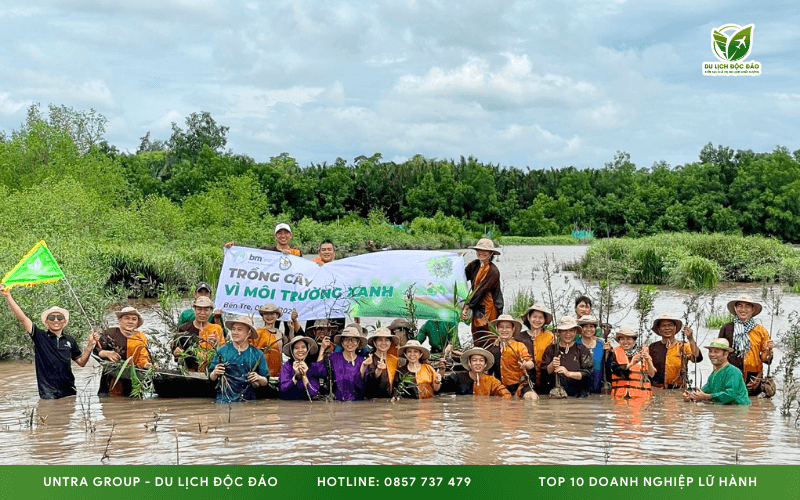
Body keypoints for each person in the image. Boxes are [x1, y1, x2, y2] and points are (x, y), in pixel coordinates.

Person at [0, 285, 97, 399]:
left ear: (64, 321)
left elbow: (81, 362)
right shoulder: (40, 336)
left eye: (59, 317)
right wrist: (8, 296)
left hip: (69, 391)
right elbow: (23, 319)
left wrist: (90, 345)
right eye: (51, 317)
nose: (56, 320)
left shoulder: (70, 340)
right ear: (46, 322)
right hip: (48, 392)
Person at [719, 294, 774, 395]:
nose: (743, 309)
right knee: (731, 404)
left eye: (747, 306)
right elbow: (718, 354)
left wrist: (768, 350)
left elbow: (767, 360)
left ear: (753, 310)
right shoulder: (727, 328)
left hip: (754, 378)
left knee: (752, 407)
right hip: (730, 375)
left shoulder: (761, 331)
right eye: (739, 306)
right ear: (735, 309)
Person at [209, 316, 269, 403]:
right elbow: (211, 378)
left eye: (239, 330)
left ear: (248, 333)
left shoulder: (258, 354)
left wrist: (258, 378)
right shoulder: (222, 351)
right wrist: (215, 372)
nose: (235, 332)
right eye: (233, 329)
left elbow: (265, 381)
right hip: (224, 400)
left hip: (248, 401)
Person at [95, 306, 153, 396]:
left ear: (137, 323)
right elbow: (96, 350)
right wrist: (106, 353)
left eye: (134, 319)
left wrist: (149, 365)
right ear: (120, 320)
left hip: (134, 380)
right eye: (127, 318)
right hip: (110, 379)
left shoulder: (141, 337)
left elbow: (143, 358)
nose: (130, 322)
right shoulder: (110, 333)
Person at [683, 338, 750, 405]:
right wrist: (691, 396)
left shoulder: (734, 372)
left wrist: (706, 396)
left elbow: (730, 394)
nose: (712, 354)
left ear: (726, 354)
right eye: (710, 351)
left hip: (738, 411)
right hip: (725, 411)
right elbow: (705, 392)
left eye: (716, 351)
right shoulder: (713, 375)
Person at [462, 238, 502, 349]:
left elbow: (481, 290)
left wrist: (467, 306)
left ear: (491, 253)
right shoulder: (474, 265)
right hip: (477, 306)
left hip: (490, 307)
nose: (482, 253)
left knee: (489, 336)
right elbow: (462, 276)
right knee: (477, 335)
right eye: (479, 250)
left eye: (485, 251)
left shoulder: (493, 271)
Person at [541, 316, 593, 398]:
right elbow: (543, 373)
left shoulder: (582, 349)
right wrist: (551, 366)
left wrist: (568, 373)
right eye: (564, 330)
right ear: (559, 332)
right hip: (555, 396)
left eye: (571, 330)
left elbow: (587, 373)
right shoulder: (550, 349)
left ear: (575, 332)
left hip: (578, 397)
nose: (568, 334)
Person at [486, 314, 535, 398]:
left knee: (531, 397)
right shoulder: (492, 348)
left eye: (508, 327)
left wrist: (526, 364)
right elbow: (487, 370)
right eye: (501, 327)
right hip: (500, 387)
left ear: (513, 329)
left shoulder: (519, 346)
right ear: (497, 329)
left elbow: (531, 364)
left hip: (519, 385)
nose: (504, 330)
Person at [648, 313, 702, 389]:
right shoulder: (653, 347)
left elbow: (697, 358)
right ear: (659, 330)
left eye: (670, 325)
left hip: (678, 389)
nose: (667, 328)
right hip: (656, 388)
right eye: (663, 326)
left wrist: (691, 339)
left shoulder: (683, 346)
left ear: (675, 328)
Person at [173, 296, 226, 372]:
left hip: (211, 372)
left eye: (206, 310)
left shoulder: (216, 329)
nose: (202, 313)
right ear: (194, 309)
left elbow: (224, 353)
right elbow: (175, 349)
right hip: (189, 372)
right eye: (199, 309)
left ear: (211, 311)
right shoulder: (184, 328)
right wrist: (177, 352)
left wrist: (216, 343)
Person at [438, 347, 511, 399]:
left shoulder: (492, 381)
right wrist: (442, 369)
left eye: (481, 360)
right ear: (469, 363)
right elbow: (439, 388)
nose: (478, 363)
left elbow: (506, 395)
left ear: (485, 364)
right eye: (474, 360)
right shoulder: (458, 377)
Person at [515, 303, 554, 395]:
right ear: (528, 317)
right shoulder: (519, 337)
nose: (537, 320)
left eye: (541, 317)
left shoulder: (550, 336)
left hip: (547, 380)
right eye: (534, 317)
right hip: (525, 380)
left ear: (544, 320)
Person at [609, 326, 655, 400]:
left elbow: (651, 375)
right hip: (620, 397)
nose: (625, 342)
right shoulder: (614, 353)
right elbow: (616, 371)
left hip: (641, 397)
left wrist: (649, 361)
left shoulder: (644, 351)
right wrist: (632, 363)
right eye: (622, 339)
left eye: (629, 338)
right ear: (619, 340)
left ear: (634, 340)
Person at [279, 335, 329, 400]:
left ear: (307, 349)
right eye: (296, 348)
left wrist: (304, 376)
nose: (300, 350)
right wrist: (296, 377)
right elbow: (282, 391)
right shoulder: (286, 367)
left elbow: (313, 393)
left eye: (303, 347)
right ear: (292, 351)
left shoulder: (312, 367)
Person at [327, 326, 370, 401]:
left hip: (356, 404)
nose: (350, 343)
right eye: (346, 339)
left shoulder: (363, 361)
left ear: (358, 343)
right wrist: (322, 350)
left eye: (353, 340)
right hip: (337, 403)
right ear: (342, 342)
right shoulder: (334, 358)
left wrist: (363, 368)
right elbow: (320, 371)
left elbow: (362, 388)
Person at [224, 222, 302, 256]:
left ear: (291, 235)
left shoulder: (296, 253)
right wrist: (231, 249)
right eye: (279, 233)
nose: (283, 236)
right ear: (275, 236)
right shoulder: (265, 250)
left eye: (286, 233)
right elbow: (248, 257)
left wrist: (289, 255)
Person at [365, 327, 400, 399]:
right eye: (380, 340)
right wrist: (378, 371)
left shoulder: (394, 360)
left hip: (390, 400)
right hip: (373, 400)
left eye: (387, 340)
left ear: (390, 343)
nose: (383, 343)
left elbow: (396, 383)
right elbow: (368, 382)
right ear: (374, 342)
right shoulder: (369, 358)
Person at [251, 303, 284, 377]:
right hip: (263, 371)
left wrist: (291, 329)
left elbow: (283, 351)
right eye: (266, 314)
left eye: (272, 313)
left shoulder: (279, 332)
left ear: (277, 315)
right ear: (262, 316)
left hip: (278, 371)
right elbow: (251, 350)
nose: (269, 316)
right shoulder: (259, 332)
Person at [576, 315, 605, 394]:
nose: (588, 329)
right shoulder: (575, 343)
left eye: (591, 326)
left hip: (599, 386)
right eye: (585, 326)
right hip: (579, 388)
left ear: (595, 329)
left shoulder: (601, 343)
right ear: (580, 328)